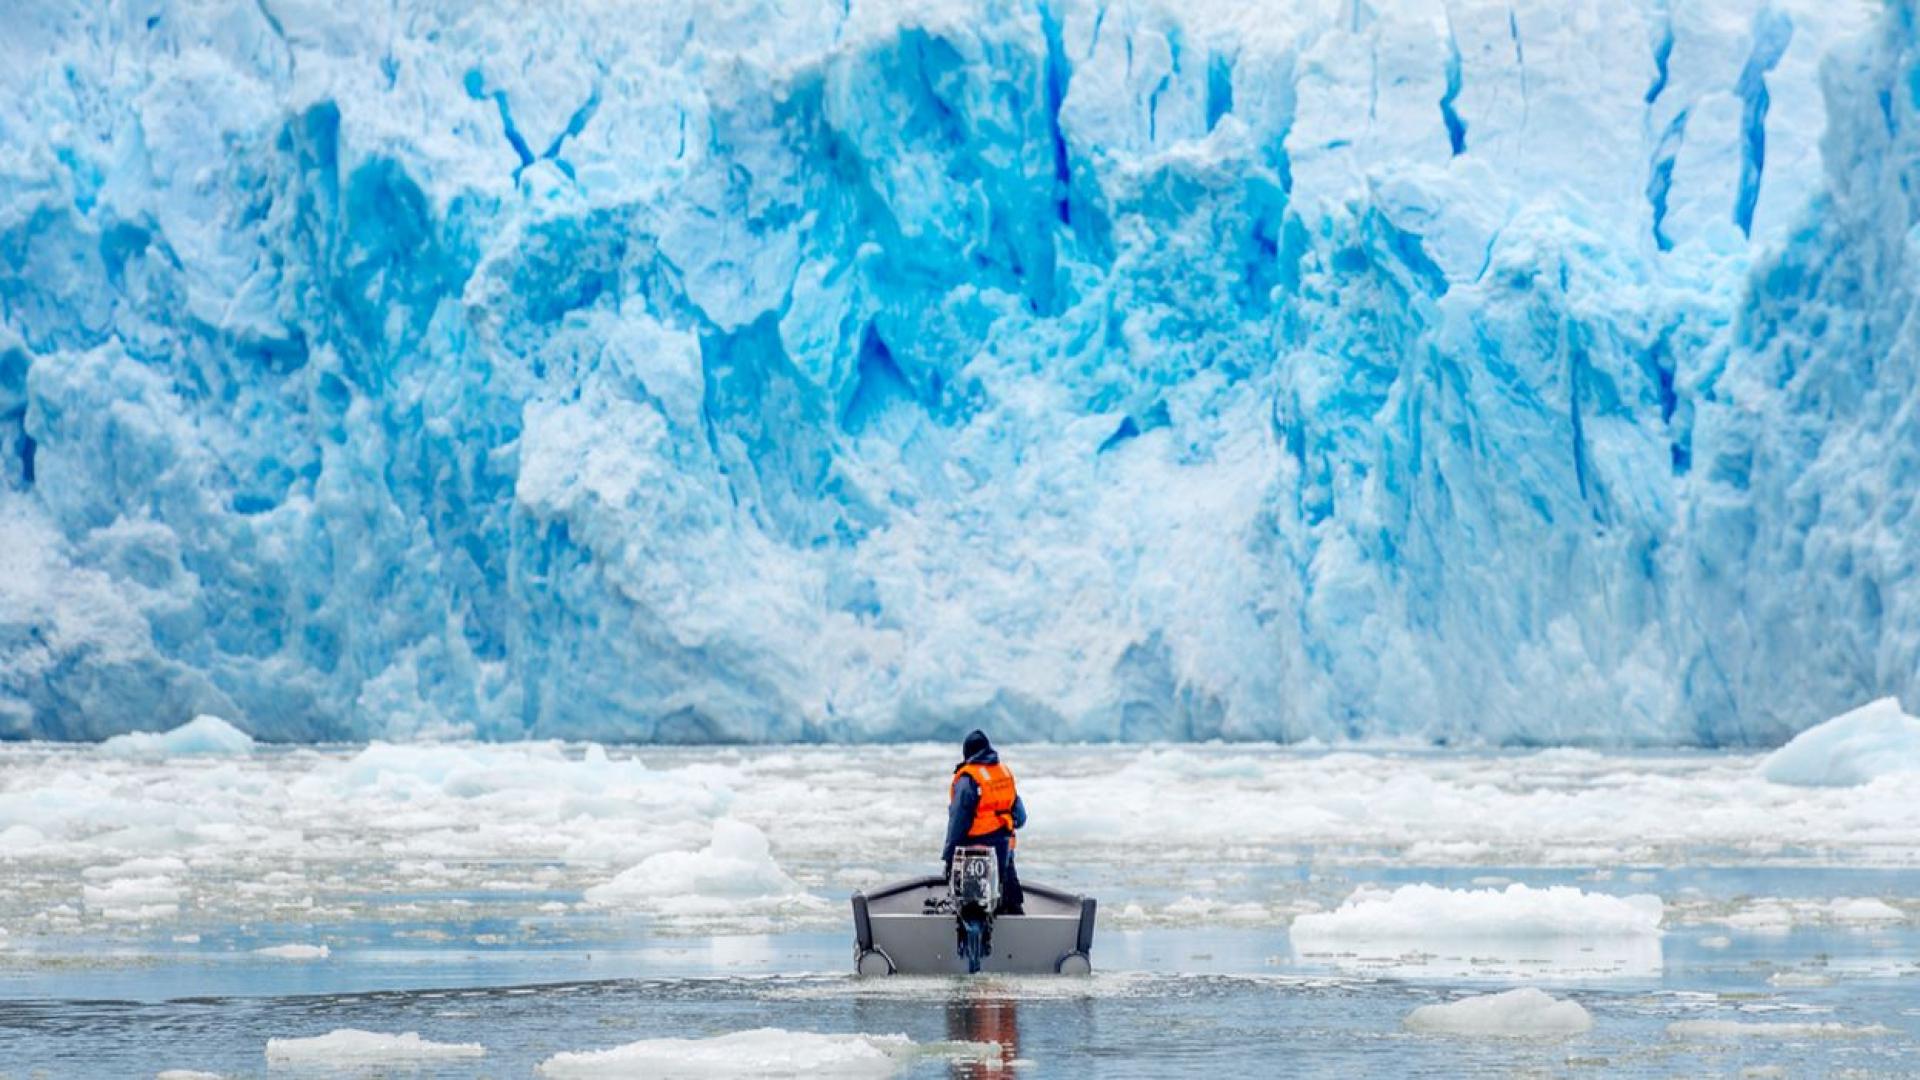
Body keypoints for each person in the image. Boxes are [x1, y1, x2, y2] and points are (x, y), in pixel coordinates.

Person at [943, 729, 1026, 915]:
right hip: (1004, 848)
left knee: (972, 905)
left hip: (974, 852)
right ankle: (1015, 918)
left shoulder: (968, 779)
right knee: (1008, 892)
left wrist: (948, 857)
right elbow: (1020, 817)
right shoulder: (1003, 774)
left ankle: (973, 931)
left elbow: (958, 822)